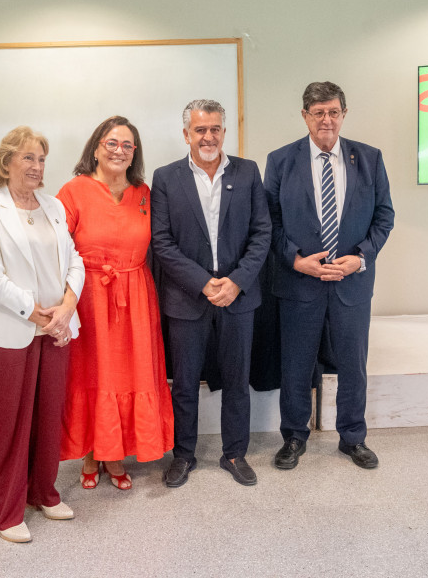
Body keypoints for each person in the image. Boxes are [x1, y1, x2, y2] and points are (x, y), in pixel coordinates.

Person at [263, 81, 394, 472]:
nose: (326, 120)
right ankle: (294, 437)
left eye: (333, 112)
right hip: (299, 284)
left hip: (351, 285)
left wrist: (361, 258)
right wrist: (295, 260)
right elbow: (269, 221)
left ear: (343, 114)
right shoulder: (280, 161)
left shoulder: (368, 158)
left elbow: (384, 216)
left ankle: (353, 438)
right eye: (318, 112)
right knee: (296, 366)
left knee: (353, 366)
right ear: (305, 116)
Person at [0, 126, 85, 543]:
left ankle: (42, 493)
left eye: (41, 159)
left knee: (49, 414)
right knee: (11, 420)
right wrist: (38, 314)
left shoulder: (54, 206)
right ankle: (5, 510)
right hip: (12, 328)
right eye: (28, 158)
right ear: (7, 162)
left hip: (56, 327)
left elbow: (75, 261)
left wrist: (66, 309)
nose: (37, 166)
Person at [150, 99, 271, 487]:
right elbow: (162, 241)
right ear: (186, 134)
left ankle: (235, 453)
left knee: (237, 380)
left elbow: (262, 233)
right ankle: (183, 455)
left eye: (215, 129)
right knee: (185, 384)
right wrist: (203, 282)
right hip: (188, 297)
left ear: (224, 132)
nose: (208, 137)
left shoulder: (247, 172)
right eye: (200, 130)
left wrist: (236, 281)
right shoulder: (165, 177)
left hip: (238, 296)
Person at [57, 115, 174, 490]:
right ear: (96, 148)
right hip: (88, 297)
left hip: (135, 297)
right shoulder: (73, 191)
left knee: (129, 375)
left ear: (134, 152)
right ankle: (93, 452)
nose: (119, 150)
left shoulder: (145, 194)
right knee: (93, 375)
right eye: (111, 143)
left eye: (127, 145)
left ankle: (116, 453)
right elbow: (55, 248)